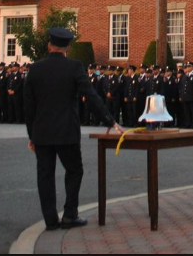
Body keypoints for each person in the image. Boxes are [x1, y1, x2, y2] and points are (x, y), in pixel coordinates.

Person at [24, 28, 122, 232]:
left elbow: (29, 106)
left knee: (45, 175)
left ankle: (50, 220)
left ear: (49, 46)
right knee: (74, 170)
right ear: (67, 47)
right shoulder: (74, 67)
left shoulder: (35, 69)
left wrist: (32, 135)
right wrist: (111, 122)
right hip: (66, 130)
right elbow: (91, 96)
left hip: (42, 131)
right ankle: (70, 214)